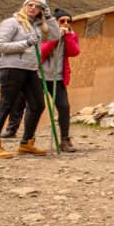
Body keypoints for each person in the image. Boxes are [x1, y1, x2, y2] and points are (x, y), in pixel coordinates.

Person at [0, 0, 61, 158]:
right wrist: (25, 43)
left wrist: (49, 17)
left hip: (31, 69)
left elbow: (55, 36)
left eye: (38, 6)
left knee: (38, 104)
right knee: (6, 105)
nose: (33, 8)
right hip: (11, 68)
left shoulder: (38, 26)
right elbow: (0, 46)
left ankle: (26, 143)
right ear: (24, 5)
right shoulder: (11, 22)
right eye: (30, 4)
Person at [38, 9, 81, 152]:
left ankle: (64, 140)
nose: (66, 24)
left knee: (64, 107)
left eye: (68, 21)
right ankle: (27, 139)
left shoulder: (71, 35)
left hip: (58, 78)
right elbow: (42, 52)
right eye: (62, 21)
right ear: (55, 22)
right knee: (35, 107)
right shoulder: (45, 33)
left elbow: (74, 52)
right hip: (40, 76)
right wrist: (57, 36)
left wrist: (67, 36)